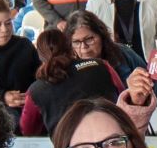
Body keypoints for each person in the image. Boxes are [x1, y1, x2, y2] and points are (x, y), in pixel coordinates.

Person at [17, 27, 147, 139]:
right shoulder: (100, 65)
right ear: (70, 47)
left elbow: (28, 130)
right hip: (112, 137)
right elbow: (122, 97)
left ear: (40, 55)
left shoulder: (35, 90)